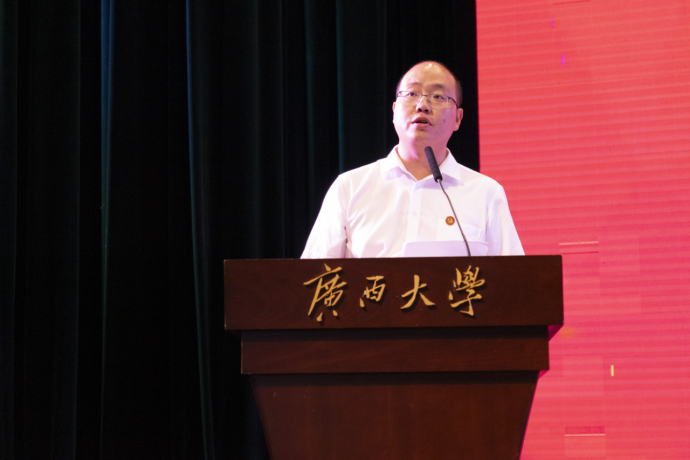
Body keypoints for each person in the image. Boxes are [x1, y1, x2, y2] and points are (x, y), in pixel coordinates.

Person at [301, 61, 523, 258]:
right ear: (394, 111)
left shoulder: (486, 193)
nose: (422, 105)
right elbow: (313, 278)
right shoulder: (349, 188)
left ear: (458, 118)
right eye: (411, 94)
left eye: (438, 96)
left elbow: (513, 279)